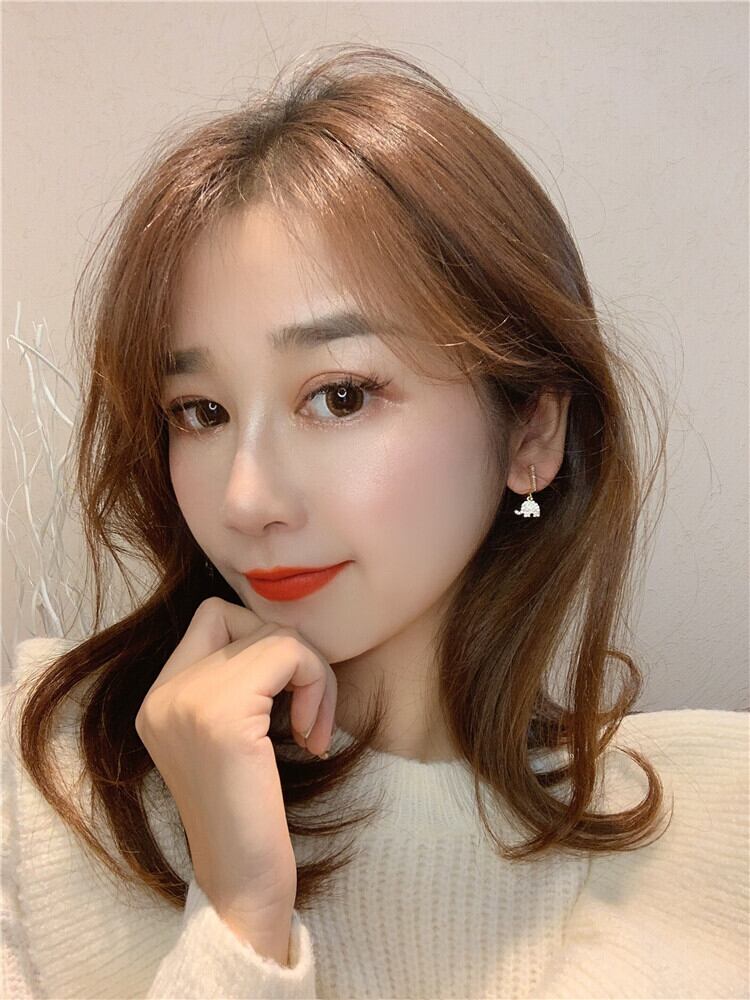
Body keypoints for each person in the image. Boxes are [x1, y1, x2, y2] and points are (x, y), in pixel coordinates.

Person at [2, 43, 747, 1000]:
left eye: (341, 396)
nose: (245, 500)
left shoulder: (711, 824)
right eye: (201, 411)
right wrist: (237, 918)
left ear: (532, 432)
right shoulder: (52, 792)